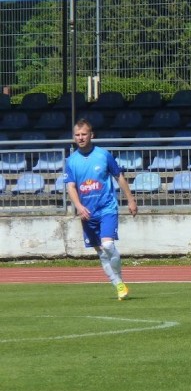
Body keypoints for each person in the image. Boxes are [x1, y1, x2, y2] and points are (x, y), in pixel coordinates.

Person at [64, 118, 137, 300]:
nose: (80, 138)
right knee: (101, 252)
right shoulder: (71, 161)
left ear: (91, 135)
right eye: (77, 135)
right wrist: (79, 206)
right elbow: (71, 186)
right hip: (87, 213)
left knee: (108, 244)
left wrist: (130, 200)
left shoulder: (104, 155)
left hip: (107, 208)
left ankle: (119, 278)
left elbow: (119, 177)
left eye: (84, 134)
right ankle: (118, 285)